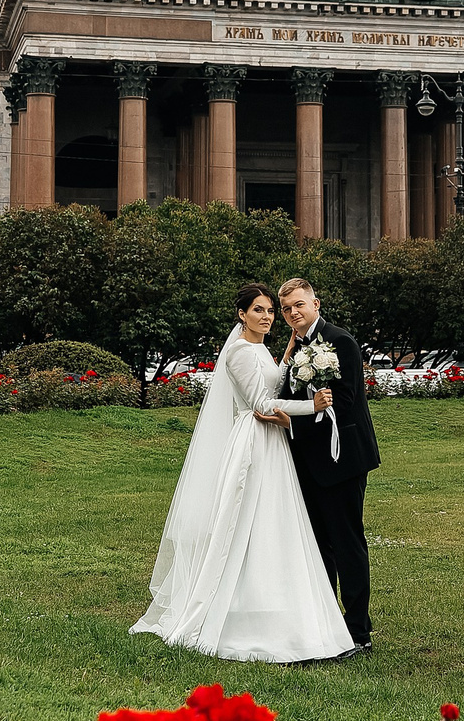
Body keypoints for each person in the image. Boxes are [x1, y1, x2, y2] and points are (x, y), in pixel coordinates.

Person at [133, 285, 354, 664]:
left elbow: (271, 379)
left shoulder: (260, 349)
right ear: (241, 314)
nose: (267, 317)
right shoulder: (237, 351)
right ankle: (240, 612)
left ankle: (279, 607)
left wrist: (286, 357)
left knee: (276, 524)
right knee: (250, 524)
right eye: (259, 310)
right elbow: (261, 402)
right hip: (254, 443)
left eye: (271, 310)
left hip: (273, 444)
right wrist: (309, 405)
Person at [276, 277, 381, 653]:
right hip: (307, 460)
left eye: (299, 305)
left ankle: (358, 632)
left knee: (347, 543)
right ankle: (326, 624)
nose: (293, 313)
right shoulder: (295, 347)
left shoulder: (341, 342)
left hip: (343, 457)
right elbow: (286, 394)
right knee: (320, 546)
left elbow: (347, 401)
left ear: (315, 304)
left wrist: (294, 423)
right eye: (287, 309)